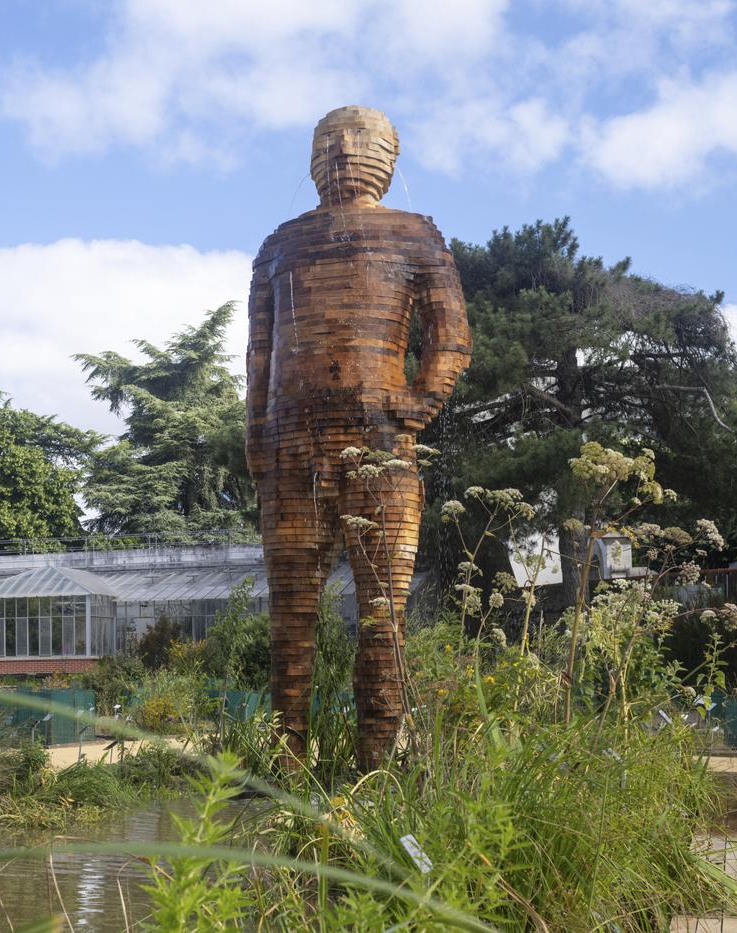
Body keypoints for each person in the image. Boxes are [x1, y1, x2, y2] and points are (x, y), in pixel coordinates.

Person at [246, 105, 471, 769]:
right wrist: (256, 441)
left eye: (359, 137)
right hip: (291, 450)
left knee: (382, 615)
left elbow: (452, 336)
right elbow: (259, 355)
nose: (342, 149)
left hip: (380, 450)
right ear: (312, 157)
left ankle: (375, 768)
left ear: (389, 157)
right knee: (290, 615)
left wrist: (419, 400)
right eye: (328, 138)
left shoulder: (414, 235)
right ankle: (286, 762)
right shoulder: (279, 245)